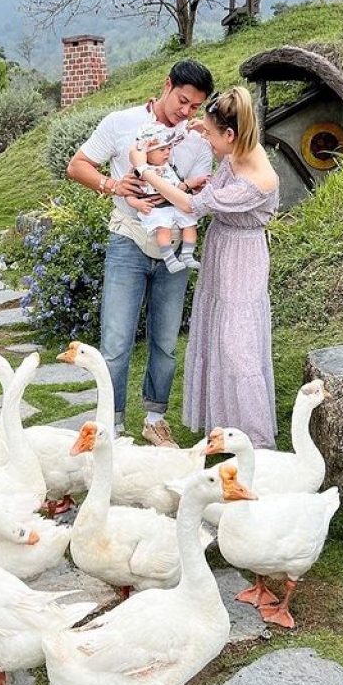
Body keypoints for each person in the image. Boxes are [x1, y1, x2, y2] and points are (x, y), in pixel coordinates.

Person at [66, 58, 214, 447]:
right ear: (167, 85)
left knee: (165, 340)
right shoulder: (121, 122)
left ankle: (155, 420)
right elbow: (77, 165)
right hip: (128, 240)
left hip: (174, 247)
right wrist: (112, 185)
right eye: (182, 101)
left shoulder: (198, 139)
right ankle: (111, 425)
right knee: (115, 341)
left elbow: (195, 197)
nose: (186, 112)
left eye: (195, 107)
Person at [130, 85, 279, 446]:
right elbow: (217, 150)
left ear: (230, 134)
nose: (209, 142)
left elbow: (190, 207)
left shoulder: (256, 183)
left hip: (242, 261)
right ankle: (230, 431)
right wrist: (200, 127)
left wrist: (144, 170)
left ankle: (257, 442)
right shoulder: (242, 146)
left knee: (238, 347)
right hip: (222, 252)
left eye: (213, 135)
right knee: (221, 339)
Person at [131, 121, 200, 274]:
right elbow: (129, 194)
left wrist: (191, 183)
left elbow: (178, 186)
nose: (167, 153)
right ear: (146, 152)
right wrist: (137, 203)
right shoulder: (138, 171)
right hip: (155, 208)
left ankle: (187, 254)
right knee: (164, 229)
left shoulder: (168, 167)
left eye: (169, 148)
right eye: (162, 149)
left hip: (173, 204)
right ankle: (169, 259)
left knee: (190, 223)